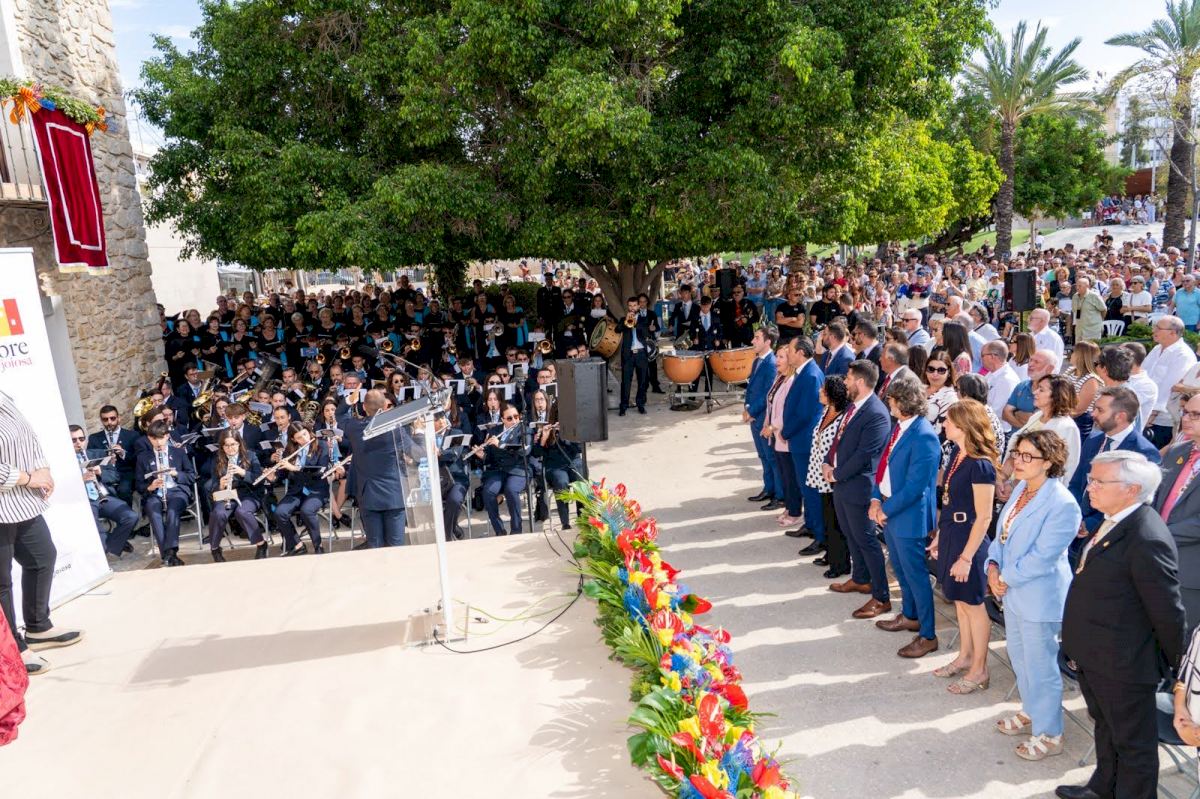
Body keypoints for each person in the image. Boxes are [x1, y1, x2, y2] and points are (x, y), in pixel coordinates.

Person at [1058, 451, 1185, 799]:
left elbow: (1168, 612)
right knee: (1106, 728)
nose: (1090, 487)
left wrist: (1173, 670)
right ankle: (1103, 788)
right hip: (1097, 654)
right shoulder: (1115, 519)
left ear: (1131, 489)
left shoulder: (1146, 536)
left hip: (1124, 663)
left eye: (1099, 481)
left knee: (1134, 746)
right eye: (1090, 479)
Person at [986, 430, 1081, 761]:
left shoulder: (1062, 503)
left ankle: (1051, 732)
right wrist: (992, 566)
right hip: (1012, 591)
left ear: (1049, 462)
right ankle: (1031, 711)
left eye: (1028, 456)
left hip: (1040, 597)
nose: (1018, 461)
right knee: (1020, 658)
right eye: (1017, 454)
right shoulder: (1021, 489)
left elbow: (1044, 556)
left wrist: (1004, 578)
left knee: (1041, 667)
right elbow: (1001, 535)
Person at [0, 392, 83, 677]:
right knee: (1, 583)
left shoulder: (4, 396)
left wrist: (43, 469)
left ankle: (37, 626)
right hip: (6, 501)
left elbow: (29, 437)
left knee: (42, 557)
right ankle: (12, 647)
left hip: (23, 500)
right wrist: (28, 478)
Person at [931, 400, 999, 694]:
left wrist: (967, 557)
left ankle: (979, 669)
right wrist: (940, 536)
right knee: (960, 602)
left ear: (964, 425)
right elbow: (949, 501)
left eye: (948, 420)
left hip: (969, 540)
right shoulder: (958, 455)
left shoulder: (981, 465)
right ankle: (965, 656)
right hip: (952, 532)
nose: (944, 424)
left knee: (973, 605)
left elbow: (984, 517)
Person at [869, 379, 940, 658]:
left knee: (916, 576)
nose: (888, 403)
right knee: (900, 569)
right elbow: (884, 468)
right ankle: (910, 615)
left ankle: (928, 635)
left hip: (907, 516)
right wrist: (876, 499)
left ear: (903, 402)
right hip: (890, 509)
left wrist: (884, 510)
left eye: (891, 399)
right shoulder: (899, 427)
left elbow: (915, 487)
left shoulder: (924, 436)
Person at [825, 360, 892, 617]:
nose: (844, 382)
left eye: (848, 378)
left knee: (866, 539)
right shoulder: (854, 406)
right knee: (851, 534)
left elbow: (865, 455)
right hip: (843, 483)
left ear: (860, 382)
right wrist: (828, 461)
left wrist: (836, 473)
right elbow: (838, 438)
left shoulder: (876, 413)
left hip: (860, 486)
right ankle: (860, 578)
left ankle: (881, 596)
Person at [1069, 387, 1161, 539]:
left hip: (1106, 532)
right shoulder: (1093, 440)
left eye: (1100, 410)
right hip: (1074, 521)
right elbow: (1077, 483)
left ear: (1120, 416)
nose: (1093, 414)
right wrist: (1074, 515)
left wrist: (1090, 524)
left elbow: (1134, 502)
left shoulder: (1143, 453)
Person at [338, 388, 414, 549]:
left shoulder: (355, 427)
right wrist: (420, 432)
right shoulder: (396, 428)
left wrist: (349, 400)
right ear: (385, 406)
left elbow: (340, 415)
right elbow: (417, 453)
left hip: (368, 495)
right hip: (393, 494)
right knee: (396, 546)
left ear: (364, 407)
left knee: (375, 546)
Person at [1154, 391, 1200, 634]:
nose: (1186, 419)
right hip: (1156, 560)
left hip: (1190, 571)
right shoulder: (1176, 452)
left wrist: (1158, 534)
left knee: (1179, 639)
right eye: (1185, 412)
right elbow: (1155, 498)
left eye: (1196, 415)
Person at [1001, 375, 1081, 496]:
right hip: (1013, 485)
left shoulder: (1066, 427)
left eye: (1041, 390)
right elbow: (1015, 451)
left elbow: (1058, 468)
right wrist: (1002, 479)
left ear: (1056, 396)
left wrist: (1013, 486)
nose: (1035, 392)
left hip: (1036, 493)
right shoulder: (1036, 416)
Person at [782, 336, 825, 552]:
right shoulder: (804, 372)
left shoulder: (811, 375)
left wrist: (786, 431)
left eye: (790, 350)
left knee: (811, 489)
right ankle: (810, 524)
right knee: (804, 486)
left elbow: (805, 413)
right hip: (799, 440)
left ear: (800, 352)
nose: (788, 353)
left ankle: (819, 534)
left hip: (805, 441)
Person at [135, 420, 197, 567]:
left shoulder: (179, 453)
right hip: (155, 494)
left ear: (167, 436)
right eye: (154, 439)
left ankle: (169, 554)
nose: (158, 443)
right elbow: (138, 484)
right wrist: (150, 487)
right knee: (153, 511)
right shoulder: (143, 457)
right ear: (149, 438)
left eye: (161, 438)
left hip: (177, 491)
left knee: (172, 511)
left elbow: (192, 476)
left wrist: (176, 474)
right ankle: (169, 555)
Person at [70, 425, 136, 560]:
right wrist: (80, 480)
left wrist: (100, 472)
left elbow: (115, 476)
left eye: (81, 439)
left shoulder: (98, 454)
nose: (78, 443)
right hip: (83, 500)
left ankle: (113, 544)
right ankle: (110, 545)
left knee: (130, 516)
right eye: (74, 440)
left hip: (103, 496)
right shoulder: (63, 462)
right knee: (96, 529)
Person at [807, 376, 851, 578]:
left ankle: (839, 564)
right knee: (827, 517)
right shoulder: (826, 410)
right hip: (820, 474)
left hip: (833, 477)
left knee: (836, 522)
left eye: (823, 390)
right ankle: (830, 554)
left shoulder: (843, 417)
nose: (819, 392)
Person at [270, 422, 331, 556]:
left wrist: (296, 468)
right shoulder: (290, 450)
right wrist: (273, 476)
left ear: (309, 432)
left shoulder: (321, 445)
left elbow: (319, 472)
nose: (304, 439)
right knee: (280, 512)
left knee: (307, 510)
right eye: (299, 437)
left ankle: (318, 546)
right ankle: (297, 545)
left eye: (305, 434)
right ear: (293, 439)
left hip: (316, 490)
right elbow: (283, 474)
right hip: (297, 491)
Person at [206, 429, 266, 561]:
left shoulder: (250, 455)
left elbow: (259, 479)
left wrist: (243, 472)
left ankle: (261, 544)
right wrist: (220, 485)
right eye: (226, 445)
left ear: (239, 443)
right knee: (218, 514)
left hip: (249, 493)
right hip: (227, 495)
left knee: (242, 512)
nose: (230, 448)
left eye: (233, 444)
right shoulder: (217, 460)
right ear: (222, 447)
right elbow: (213, 486)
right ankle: (215, 549)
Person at [473, 403, 530, 535]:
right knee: (488, 492)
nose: (514, 421)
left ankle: (516, 529)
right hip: (498, 471)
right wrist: (483, 456)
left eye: (516, 417)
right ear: (502, 419)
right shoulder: (494, 432)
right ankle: (499, 530)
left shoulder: (524, 430)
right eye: (509, 418)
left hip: (517, 470)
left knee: (511, 489)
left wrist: (501, 445)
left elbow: (524, 451)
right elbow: (490, 457)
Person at [1143, 316, 1198, 447]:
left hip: (1162, 419)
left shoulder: (1183, 355)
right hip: (1145, 411)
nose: (1153, 330)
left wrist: (1153, 412)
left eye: (1158, 328)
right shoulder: (1157, 349)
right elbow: (1143, 374)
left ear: (1172, 333)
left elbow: (1170, 387)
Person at [744, 327, 781, 509]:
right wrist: (746, 407)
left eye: (757, 338)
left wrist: (752, 411)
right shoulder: (757, 361)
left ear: (768, 342)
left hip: (764, 418)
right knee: (763, 456)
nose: (753, 341)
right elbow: (751, 388)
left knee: (772, 457)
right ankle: (769, 488)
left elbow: (768, 393)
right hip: (754, 417)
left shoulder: (772, 363)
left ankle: (779, 495)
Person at [87, 405, 139, 503]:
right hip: (104, 473)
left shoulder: (132, 435)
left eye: (112, 418)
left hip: (125, 473)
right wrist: (106, 458)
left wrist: (123, 453)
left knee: (124, 491)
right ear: (101, 420)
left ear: (118, 418)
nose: (109, 422)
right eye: (105, 419)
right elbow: (91, 461)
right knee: (104, 492)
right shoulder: (94, 438)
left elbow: (138, 460)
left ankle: (127, 511)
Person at [617, 296, 653, 416]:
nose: (632, 308)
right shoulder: (623, 319)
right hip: (628, 354)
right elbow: (617, 330)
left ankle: (640, 404)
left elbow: (646, 333)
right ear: (628, 306)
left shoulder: (643, 319)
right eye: (630, 305)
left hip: (641, 353)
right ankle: (623, 406)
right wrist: (626, 321)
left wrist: (635, 323)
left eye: (634, 305)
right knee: (626, 382)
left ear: (638, 306)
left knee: (642, 381)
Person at [982, 341, 1020, 433]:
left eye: (982, 355)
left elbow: (996, 412)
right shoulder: (993, 373)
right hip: (986, 426)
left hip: (995, 431)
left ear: (992, 356)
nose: (981, 359)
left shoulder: (1006, 380)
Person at [921, 350, 958, 438]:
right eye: (931, 369)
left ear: (949, 372)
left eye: (941, 370)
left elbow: (944, 433)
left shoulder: (950, 398)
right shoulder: (919, 390)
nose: (935, 374)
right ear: (925, 370)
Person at [1072, 276, 1106, 342]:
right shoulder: (1075, 296)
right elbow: (1076, 311)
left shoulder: (1094, 296)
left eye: (1080, 286)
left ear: (1087, 286)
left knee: (1092, 347)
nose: (1077, 288)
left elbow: (1103, 310)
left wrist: (1099, 321)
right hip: (1080, 329)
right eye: (1076, 286)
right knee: (1079, 347)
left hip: (1093, 329)